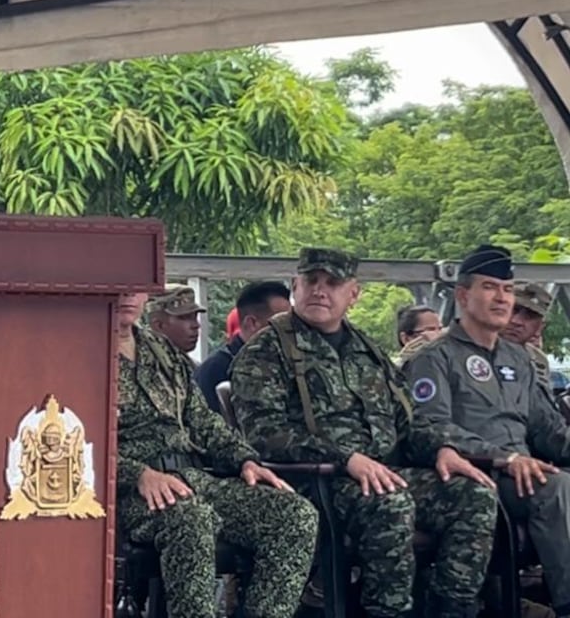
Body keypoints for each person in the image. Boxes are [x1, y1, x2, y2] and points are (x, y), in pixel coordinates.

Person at [230, 247, 499, 618]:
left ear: (353, 294)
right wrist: (346, 459)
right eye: (311, 280)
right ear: (295, 286)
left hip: (385, 473)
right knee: (390, 503)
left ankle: (449, 610)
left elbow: (408, 419)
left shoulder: (366, 349)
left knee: (475, 494)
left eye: (333, 283)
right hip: (316, 483)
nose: (320, 290)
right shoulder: (267, 350)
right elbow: (263, 433)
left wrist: (442, 449)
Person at [116, 290, 317, 618]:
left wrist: (245, 460)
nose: (126, 295)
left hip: (193, 477)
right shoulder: (78, 354)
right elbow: (75, 444)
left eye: (134, 287)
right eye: (117, 285)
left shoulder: (162, 351)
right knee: (191, 518)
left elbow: (203, 421)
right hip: (130, 490)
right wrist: (137, 474)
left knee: (295, 514)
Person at [404, 245, 570, 617]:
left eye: (507, 290)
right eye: (490, 287)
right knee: (558, 488)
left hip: (525, 472)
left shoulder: (519, 359)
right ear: (463, 296)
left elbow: (548, 429)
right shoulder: (435, 357)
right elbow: (429, 426)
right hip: (477, 475)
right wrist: (503, 457)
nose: (502, 298)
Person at [194, 281, 291, 413]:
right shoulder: (215, 370)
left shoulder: (286, 362)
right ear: (252, 323)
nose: (290, 328)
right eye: (281, 321)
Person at [502, 281, 554, 390]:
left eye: (530, 316)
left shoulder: (539, 360)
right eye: (513, 310)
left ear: (540, 327)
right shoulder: (473, 350)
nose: (517, 321)